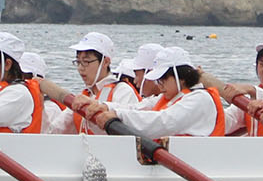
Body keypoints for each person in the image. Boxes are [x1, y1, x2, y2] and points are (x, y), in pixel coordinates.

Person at [94, 48, 226, 137]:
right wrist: (106, 107)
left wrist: (119, 115)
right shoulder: (170, 97)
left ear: (181, 76)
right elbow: (140, 107)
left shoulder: (199, 99)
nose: (160, 85)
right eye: (158, 80)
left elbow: (164, 122)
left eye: (163, 80)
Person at [49, 32, 138, 134]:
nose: (80, 68)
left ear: (105, 62)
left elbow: (128, 132)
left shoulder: (123, 91)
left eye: (86, 62)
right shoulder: (85, 96)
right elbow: (56, 129)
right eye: (78, 62)